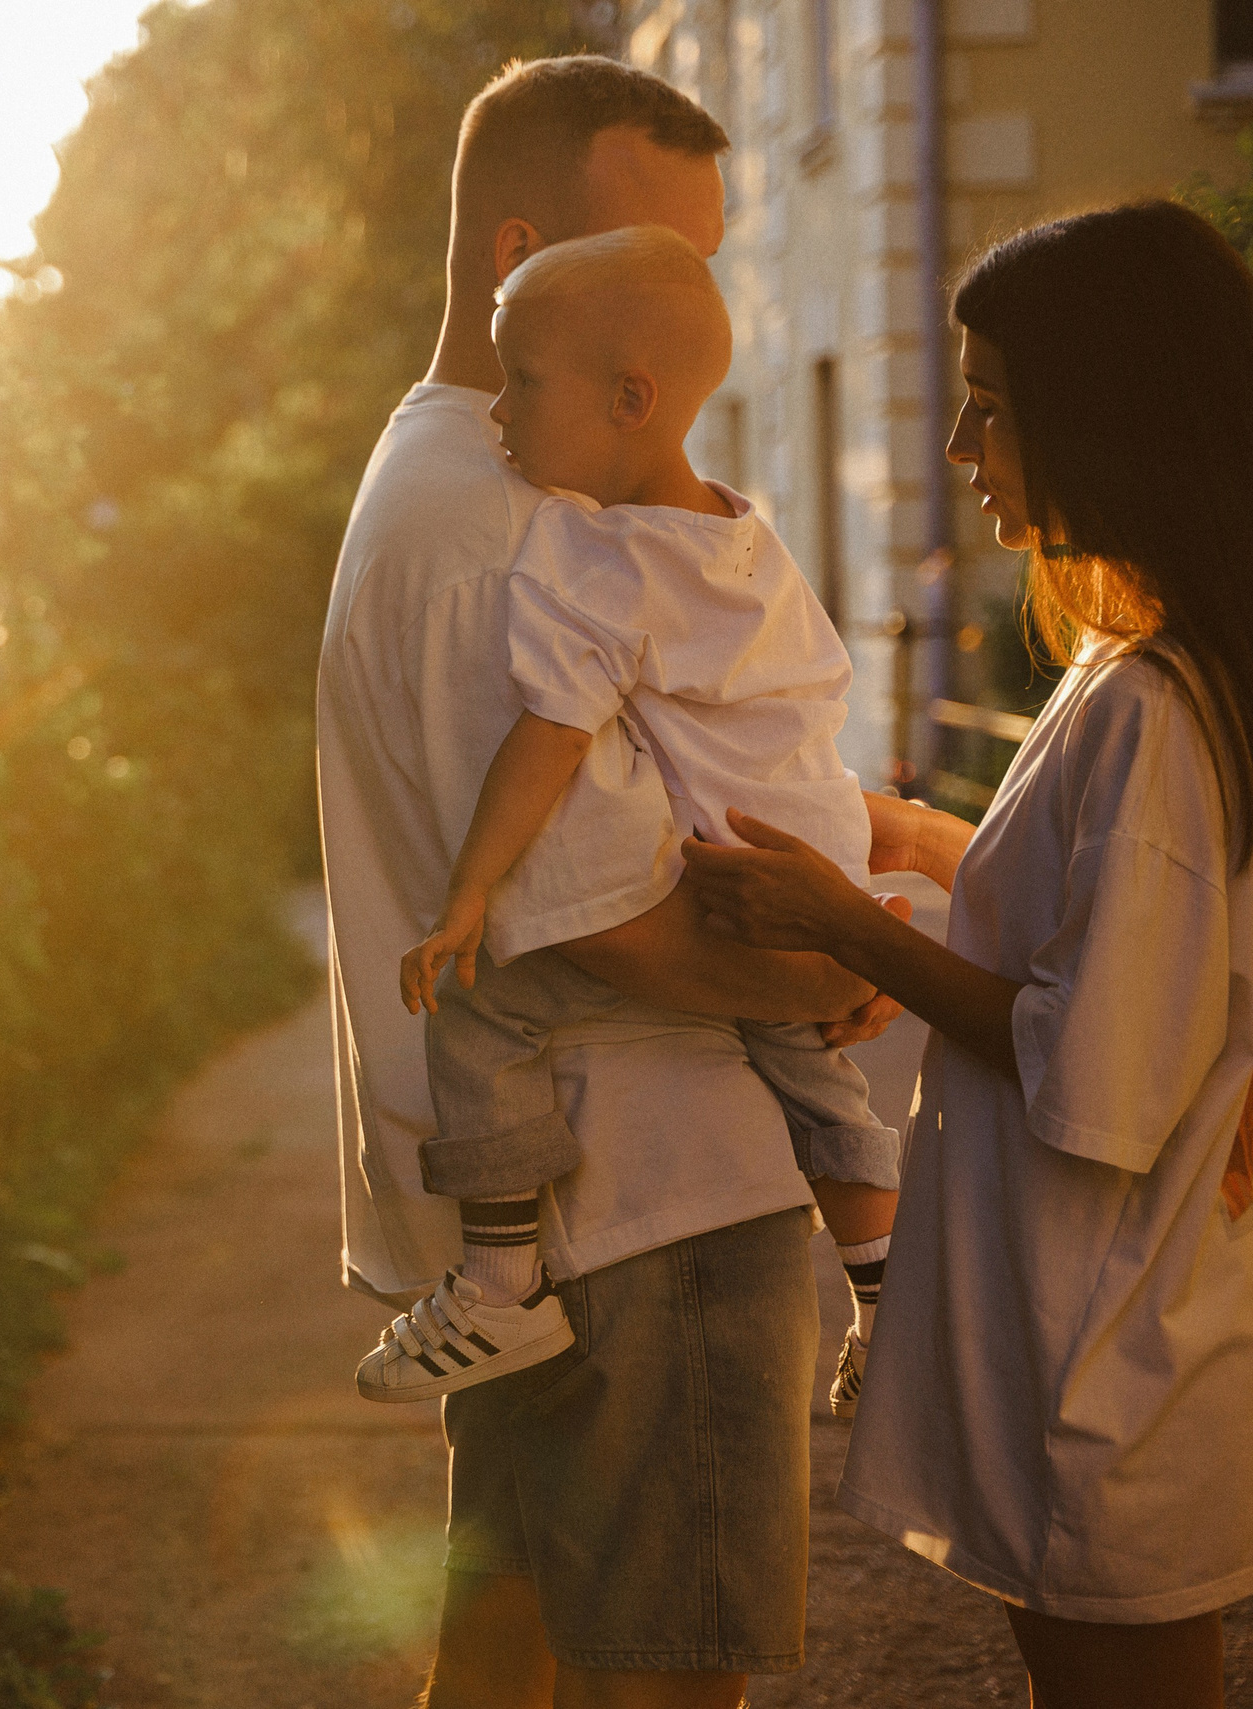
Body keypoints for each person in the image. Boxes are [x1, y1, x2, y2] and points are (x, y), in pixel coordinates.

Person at [316, 54, 897, 1708]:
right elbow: (613, 902)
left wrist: (879, 834)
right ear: (522, 266)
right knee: (659, 1682)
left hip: (571, 1217)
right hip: (650, 1207)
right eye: (669, 261)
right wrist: (843, 966)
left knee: (510, 1666)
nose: (695, 319)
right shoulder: (508, 522)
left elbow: (680, 780)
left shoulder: (482, 483)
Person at [677, 200, 1253, 1709]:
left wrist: (841, 920)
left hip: (1100, 1362)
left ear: (1104, 417)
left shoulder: (1152, 708)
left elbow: (1098, 1065)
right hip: (1083, 1340)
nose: (955, 449)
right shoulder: (1137, 664)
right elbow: (1117, 919)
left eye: (989, 408)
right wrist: (924, 842)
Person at [353, 225, 902, 1418]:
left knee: (482, 998)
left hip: (735, 903)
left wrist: (467, 898)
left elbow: (543, 743)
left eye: (522, 378)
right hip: (818, 887)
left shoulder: (592, 558)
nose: (496, 409)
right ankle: (884, 1300)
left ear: (627, 398)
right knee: (822, 1088)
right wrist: (860, 920)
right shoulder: (753, 544)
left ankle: (500, 1282)